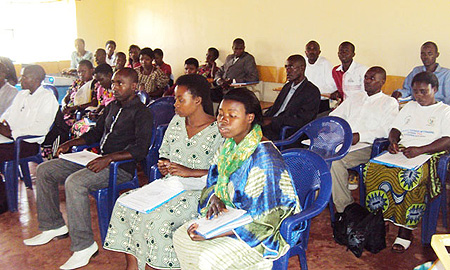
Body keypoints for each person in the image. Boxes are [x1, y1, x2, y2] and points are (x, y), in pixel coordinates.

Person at [23, 68, 153, 270]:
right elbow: (95, 133)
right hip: (96, 158)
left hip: (120, 167)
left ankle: (84, 246)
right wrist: (72, 142)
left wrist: (109, 158)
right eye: (114, 83)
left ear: (134, 87)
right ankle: (53, 226)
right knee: (45, 170)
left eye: (121, 83)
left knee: (75, 183)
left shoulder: (142, 113)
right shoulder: (111, 107)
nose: (114, 87)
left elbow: (140, 149)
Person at [103, 74, 222, 270]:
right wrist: (165, 165)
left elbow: (223, 172)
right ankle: (133, 267)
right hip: (171, 186)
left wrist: (189, 171)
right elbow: (165, 153)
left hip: (200, 193)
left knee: (155, 219)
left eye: (180, 99)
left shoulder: (218, 130)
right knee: (125, 204)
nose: (174, 104)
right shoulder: (177, 122)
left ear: (198, 100)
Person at [172, 88, 300, 269]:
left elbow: (265, 219)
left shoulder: (264, 158)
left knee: (206, 258)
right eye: (220, 114)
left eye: (232, 116)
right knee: (180, 235)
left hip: (258, 233)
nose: (223, 121)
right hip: (230, 217)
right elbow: (213, 181)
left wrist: (217, 233)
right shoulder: (229, 145)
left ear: (250, 118)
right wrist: (215, 196)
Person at [364, 71, 450, 253]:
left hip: (428, 155)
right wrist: (393, 142)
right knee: (373, 169)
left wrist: (421, 150)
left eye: (423, 91)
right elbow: (395, 129)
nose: (419, 96)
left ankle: (405, 230)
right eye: (415, 92)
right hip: (405, 151)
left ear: (434, 89)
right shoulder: (410, 106)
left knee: (408, 177)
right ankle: (381, 220)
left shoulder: (445, 111)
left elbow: (447, 140)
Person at [329, 66, 399, 213]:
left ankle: (345, 209)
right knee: (313, 153)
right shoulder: (355, 97)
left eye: (372, 79)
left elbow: (385, 130)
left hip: (367, 146)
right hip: (344, 141)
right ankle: (315, 199)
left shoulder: (388, 103)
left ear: (382, 82)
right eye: (366, 77)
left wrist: (360, 136)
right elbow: (335, 116)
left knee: (335, 160)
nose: (367, 81)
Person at [0, 65, 58, 161]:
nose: (20, 80)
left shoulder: (47, 98)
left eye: (24, 77)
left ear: (36, 79)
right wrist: (2, 125)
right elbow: (7, 115)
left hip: (27, 143)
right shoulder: (21, 94)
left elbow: (40, 128)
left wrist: (12, 133)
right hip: (10, 139)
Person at [263, 54, 320, 140]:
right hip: (273, 125)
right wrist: (262, 117)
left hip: (288, 131)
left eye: (291, 67)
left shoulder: (311, 91)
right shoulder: (287, 86)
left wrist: (273, 120)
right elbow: (276, 108)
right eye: (286, 67)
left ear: (302, 68)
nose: (287, 71)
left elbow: (302, 120)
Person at [71, 64, 114, 137]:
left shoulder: (117, 91)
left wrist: (100, 115)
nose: (99, 83)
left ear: (109, 75)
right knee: (77, 125)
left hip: (111, 120)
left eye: (101, 79)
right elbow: (101, 105)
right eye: (98, 81)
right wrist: (95, 113)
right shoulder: (101, 89)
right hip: (102, 118)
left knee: (88, 132)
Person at [304, 40, 336, 113]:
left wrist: (312, 92)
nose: (311, 51)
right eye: (309, 49)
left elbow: (332, 87)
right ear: (305, 52)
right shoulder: (302, 62)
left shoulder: (326, 64)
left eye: (314, 49)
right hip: (303, 101)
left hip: (320, 102)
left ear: (319, 52)